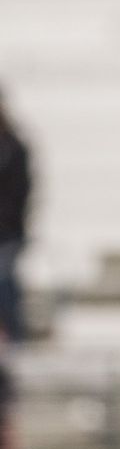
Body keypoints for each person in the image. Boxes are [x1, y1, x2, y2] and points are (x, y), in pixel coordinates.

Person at [0, 95, 32, 344]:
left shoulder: (13, 147)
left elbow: (21, 192)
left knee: (5, 283)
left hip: (8, 232)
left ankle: (16, 340)